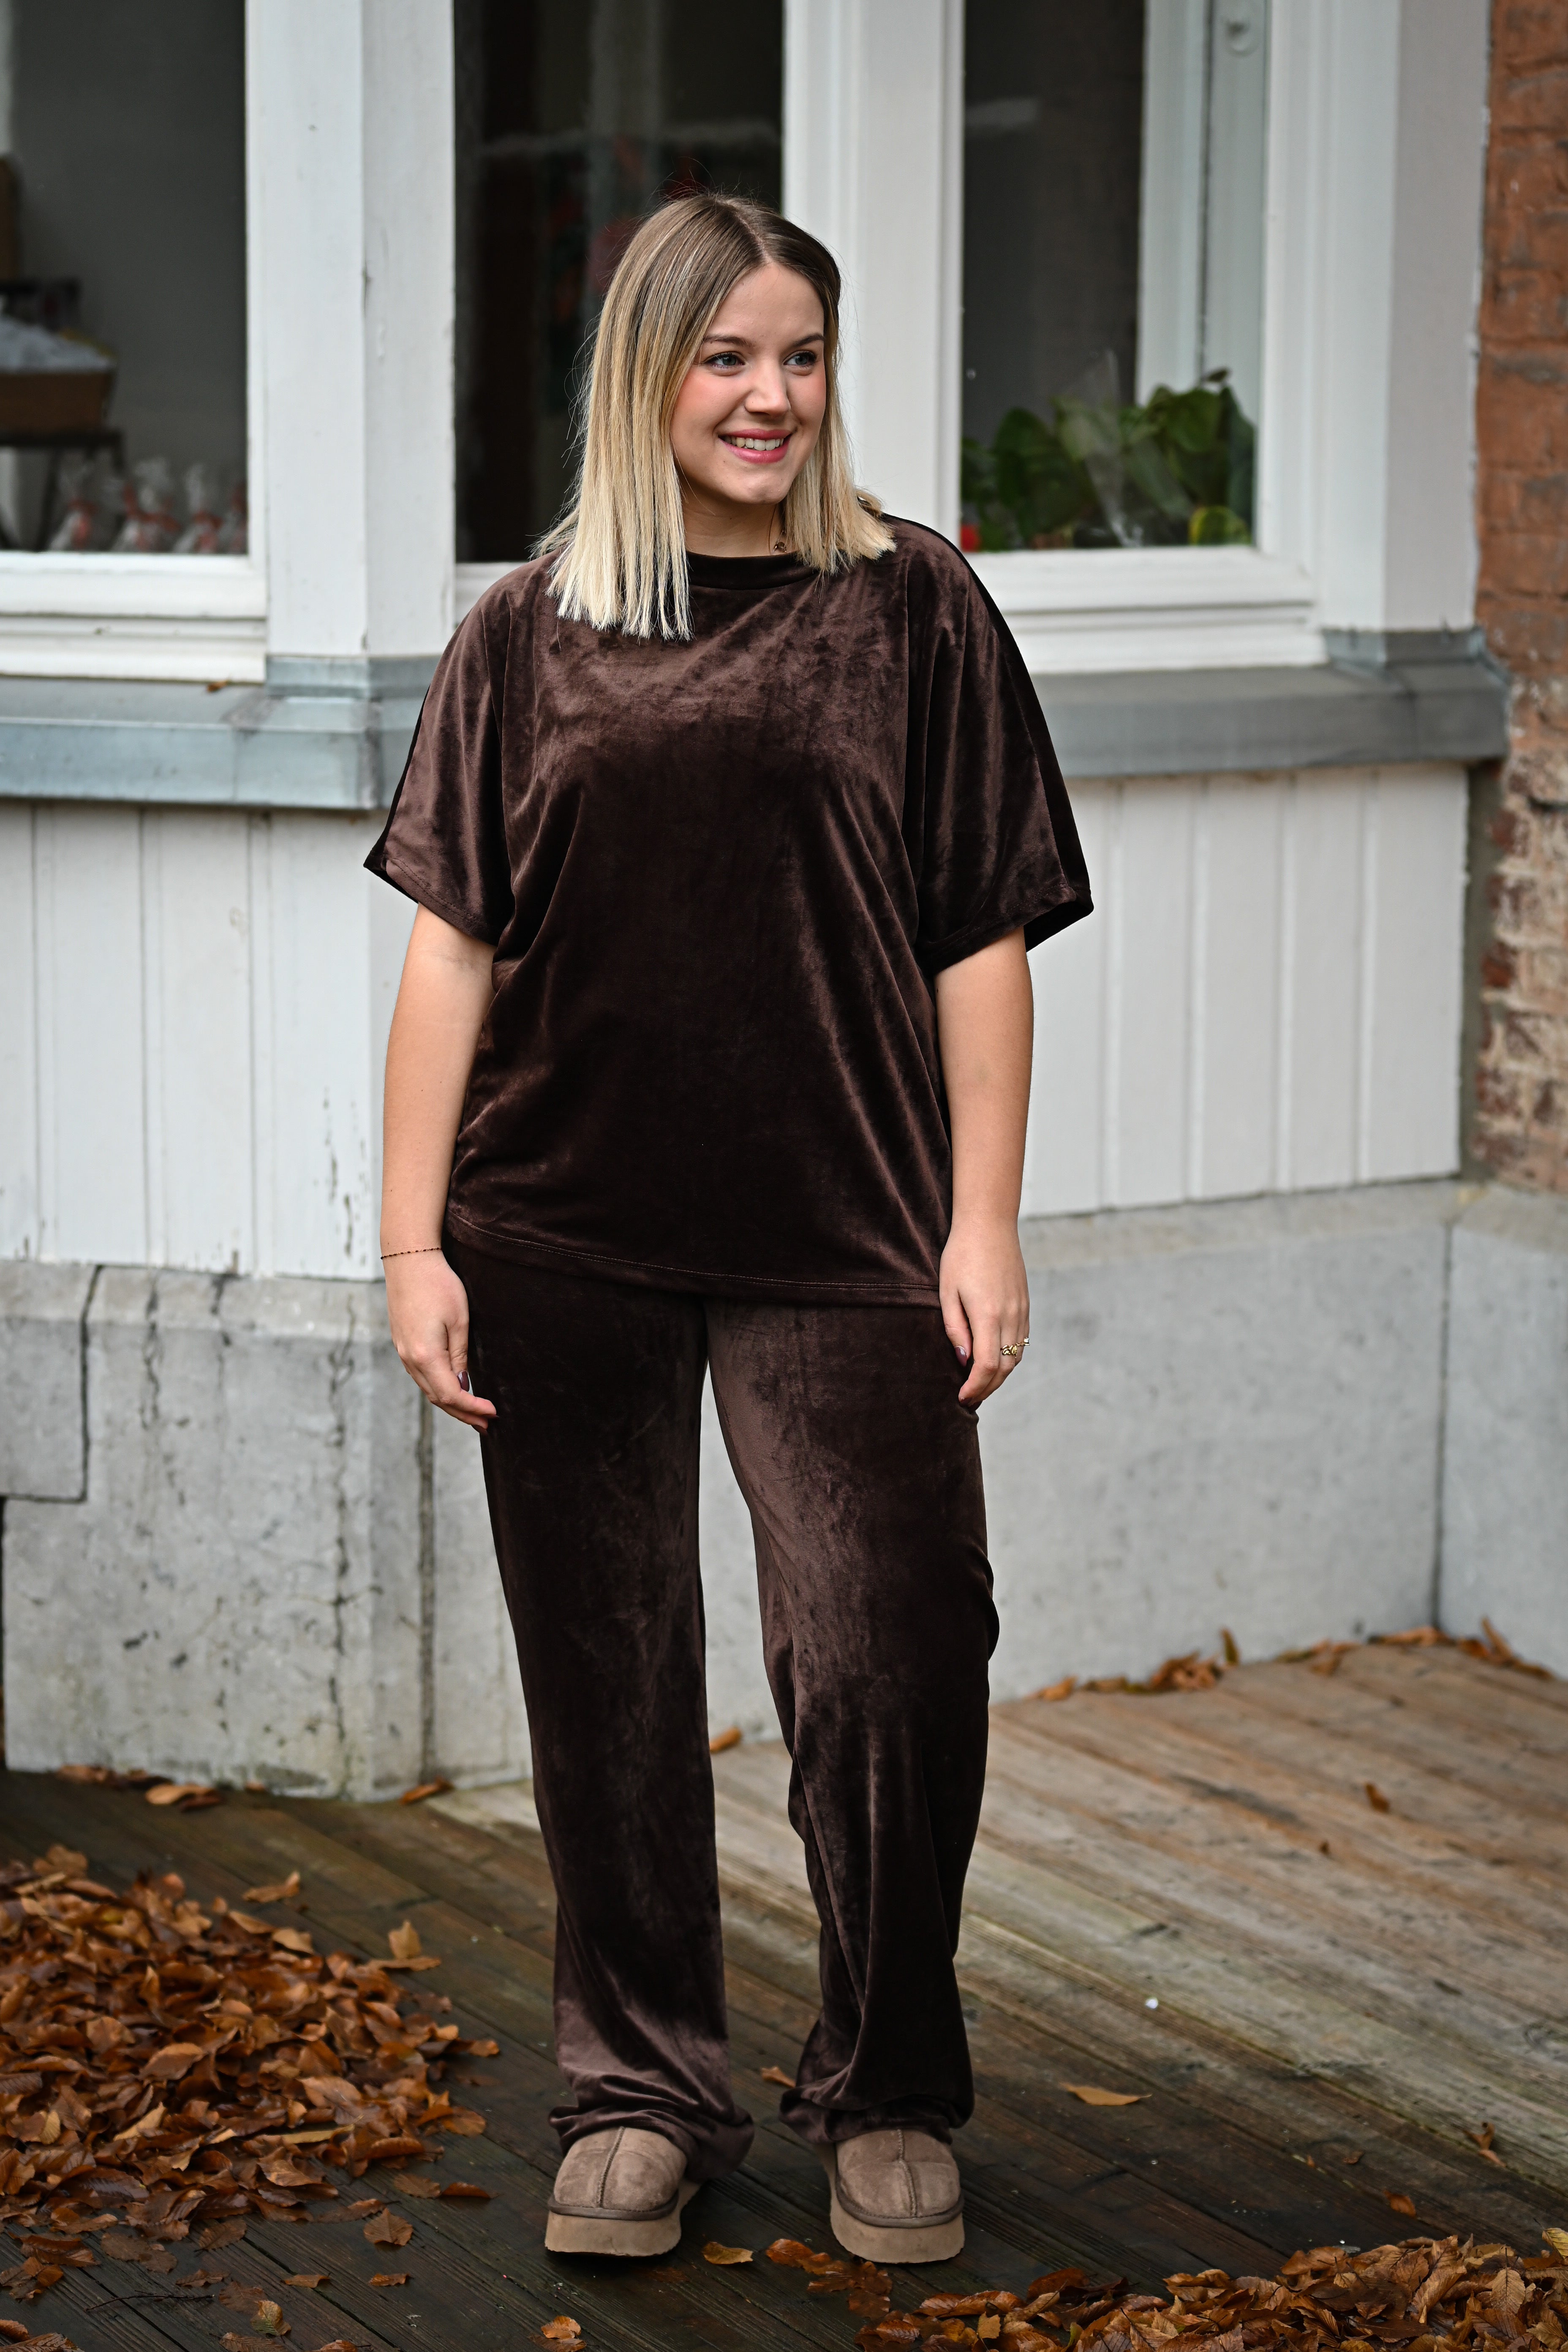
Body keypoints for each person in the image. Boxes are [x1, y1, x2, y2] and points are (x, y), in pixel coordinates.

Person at [367, 193, 1091, 2265]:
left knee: (888, 1652)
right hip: (559, 1225)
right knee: (602, 1680)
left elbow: (978, 939)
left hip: (846, 1222)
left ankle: (888, 2080)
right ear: (647, 374)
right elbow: (452, 955)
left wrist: (983, 1220)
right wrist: (413, 1243)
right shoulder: (526, 632)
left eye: (802, 356)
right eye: (727, 357)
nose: (771, 396)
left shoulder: (913, 609)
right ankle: (638, 2091)